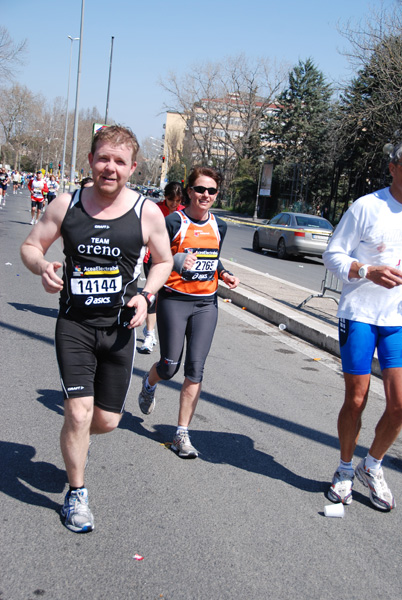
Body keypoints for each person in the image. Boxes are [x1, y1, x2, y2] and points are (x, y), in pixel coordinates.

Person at [20, 125, 173, 533]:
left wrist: (146, 295)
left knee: (105, 421)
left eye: (119, 162)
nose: (110, 167)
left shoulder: (146, 212)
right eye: (103, 158)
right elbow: (31, 246)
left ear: (132, 167)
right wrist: (43, 266)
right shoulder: (67, 205)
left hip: (119, 329)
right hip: (75, 325)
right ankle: (77, 492)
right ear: (90, 161)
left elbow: (163, 261)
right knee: (78, 410)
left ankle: (76, 433)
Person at [138, 166, 239, 458]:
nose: (205, 195)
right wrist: (176, 260)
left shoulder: (219, 226)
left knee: (196, 369)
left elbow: (213, 259)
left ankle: (182, 433)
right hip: (174, 300)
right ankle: (149, 382)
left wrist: (225, 273)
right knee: (170, 366)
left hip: (207, 304)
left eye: (211, 191)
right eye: (199, 189)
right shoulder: (172, 222)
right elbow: (152, 263)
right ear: (189, 190)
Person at [323, 142, 402, 511]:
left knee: (400, 404)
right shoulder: (367, 206)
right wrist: (367, 270)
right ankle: (343, 469)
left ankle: (371, 465)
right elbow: (332, 254)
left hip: (398, 320)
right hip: (359, 313)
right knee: (356, 399)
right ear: (392, 167)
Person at [140, 181, 185, 353]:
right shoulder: (155, 210)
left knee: (167, 300)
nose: (174, 204)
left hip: (175, 262)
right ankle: (150, 335)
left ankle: (168, 334)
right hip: (152, 259)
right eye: (170, 199)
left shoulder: (183, 213)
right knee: (152, 296)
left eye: (177, 200)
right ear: (164, 197)